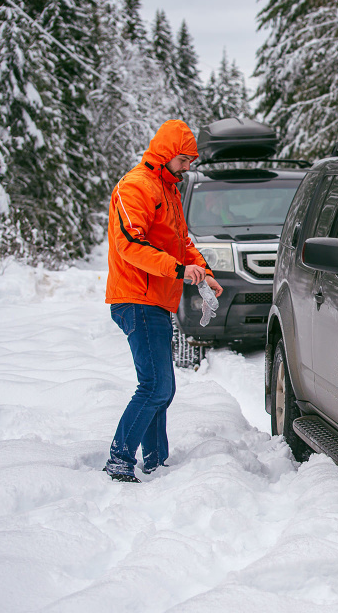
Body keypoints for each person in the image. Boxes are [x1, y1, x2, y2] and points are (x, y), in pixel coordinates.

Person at [103, 119, 224, 483]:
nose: (188, 167)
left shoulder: (168, 191)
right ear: (167, 155)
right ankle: (119, 458)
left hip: (157, 300)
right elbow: (129, 244)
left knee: (159, 385)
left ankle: (156, 459)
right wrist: (177, 270)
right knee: (156, 387)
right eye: (185, 160)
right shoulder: (137, 186)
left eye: (191, 161)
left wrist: (204, 271)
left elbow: (183, 243)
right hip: (136, 298)